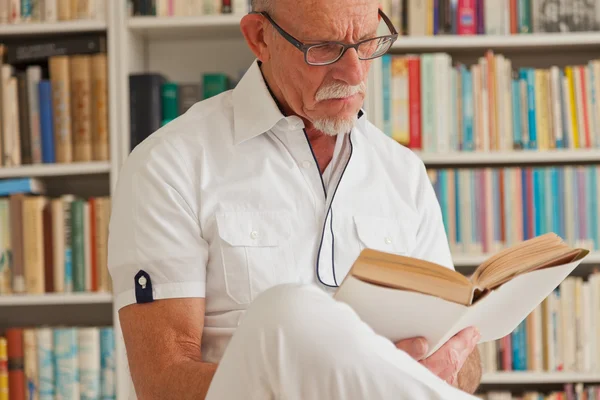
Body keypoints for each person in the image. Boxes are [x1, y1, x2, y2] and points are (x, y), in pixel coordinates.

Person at [107, 0, 483, 398]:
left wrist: (441, 368)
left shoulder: (403, 172)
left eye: (369, 40)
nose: (354, 72)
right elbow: (162, 383)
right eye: (324, 47)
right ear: (259, 38)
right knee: (287, 311)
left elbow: (465, 361)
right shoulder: (170, 165)